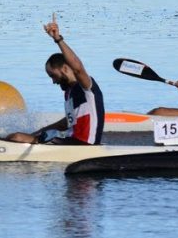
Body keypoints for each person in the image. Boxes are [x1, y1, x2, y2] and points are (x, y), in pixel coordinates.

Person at [7, 14, 105, 145]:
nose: (53, 81)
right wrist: (37, 133)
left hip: (83, 145)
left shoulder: (86, 86)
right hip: (70, 140)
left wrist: (58, 39)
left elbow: (78, 68)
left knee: (16, 138)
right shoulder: (69, 92)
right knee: (17, 137)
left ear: (65, 68)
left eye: (53, 75)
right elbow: (66, 123)